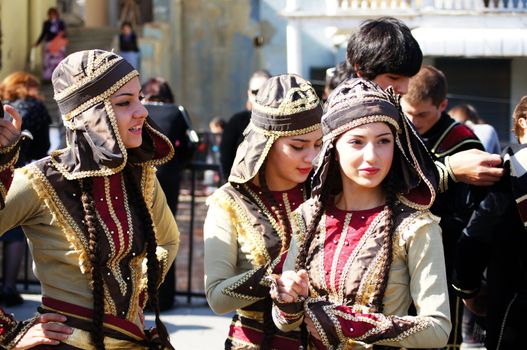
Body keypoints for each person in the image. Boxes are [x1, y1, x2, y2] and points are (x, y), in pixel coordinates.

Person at [0, 49, 179, 349]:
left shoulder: (141, 176)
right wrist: (8, 333)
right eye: (125, 103)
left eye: (139, 98)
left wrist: (138, 292)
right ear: (89, 114)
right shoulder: (39, 181)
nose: (143, 111)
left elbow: (168, 241)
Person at [270, 78, 450, 349]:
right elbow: (285, 322)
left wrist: (348, 323)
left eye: (383, 141)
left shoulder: (415, 225)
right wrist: (289, 300)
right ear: (333, 147)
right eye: (357, 142)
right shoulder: (308, 217)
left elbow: (437, 329)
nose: (372, 157)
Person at [204, 74, 323, 349]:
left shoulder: (323, 193)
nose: (311, 157)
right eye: (297, 146)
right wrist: (279, 277)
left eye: (318, 145)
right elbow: (217, 297)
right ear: (267, 142)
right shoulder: (229, 202)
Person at [346, 17, 503, 187]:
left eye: (408, 78)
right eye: (393, 77)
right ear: (360, 71)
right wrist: (448, 170)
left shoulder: (394, 115)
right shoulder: (343, 120)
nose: (404, 89)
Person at [400, 65, 485, 349]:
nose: (414, 120)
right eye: (408, 113)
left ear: (443, 104)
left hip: (445, 249)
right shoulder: (399, 129)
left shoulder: (464, 142)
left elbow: (471, 212)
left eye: (423, 114)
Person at [453, 96, 527, 350]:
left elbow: (476, 236)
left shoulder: (512, 169)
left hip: (515, 306)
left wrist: (468, 290)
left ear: (522, 124)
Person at [142, 76, 194, 311]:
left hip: (139, 174)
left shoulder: (138, 109)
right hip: (167, 179)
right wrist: (177, 164)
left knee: (137, 236)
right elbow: (192, 143)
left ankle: (138, 296)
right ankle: (164, 298)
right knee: (166, 237)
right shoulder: (177, 111)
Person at [0, 71, 52, 307]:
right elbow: (43, 146)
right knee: (14, 234)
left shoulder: (5, 108)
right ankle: (9, 287)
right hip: (23, 173)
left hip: (4, 167)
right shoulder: (37, 108)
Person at [219, 69, 271, 180]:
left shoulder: (286, 124)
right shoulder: (236, 122)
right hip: (242, 187)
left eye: (265, 91)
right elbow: (226, 160)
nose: (260, 96)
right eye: (255, 92)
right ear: (249, 94)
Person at [34, 7, 67, 82]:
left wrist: (62, 35)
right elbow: (43, 34)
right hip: (49, 43)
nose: (52, 15)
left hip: (58, 44)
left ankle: (59, 77)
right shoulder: (46, 23)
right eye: (51, 14)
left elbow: (64, 33)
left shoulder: (60, 22)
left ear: (56, 14)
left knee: (57, 61)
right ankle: (47, 77)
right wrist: (37, 43)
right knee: (47, 60)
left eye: (53, 13)